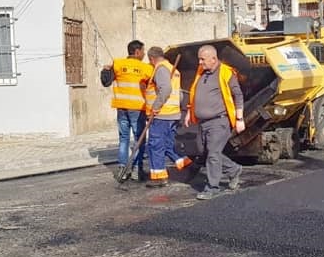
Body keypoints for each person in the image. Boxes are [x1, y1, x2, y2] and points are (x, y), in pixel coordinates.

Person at [185, 45, 245, 200]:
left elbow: (238, 95)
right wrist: (190, 112)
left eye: (202, 59)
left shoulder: (225, 73)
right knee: (208, 152)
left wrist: (239, 119)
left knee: (213, 154)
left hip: (219, 121)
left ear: (213, 58)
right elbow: (195, 93)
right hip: (203, 122)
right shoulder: (201, 72)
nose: (200, 62)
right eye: (199, 59)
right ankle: (234, 170)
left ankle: (212, 187)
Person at [102, 40, 152, 181]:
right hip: (137, 109)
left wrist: (106, 70)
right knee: (139, 140)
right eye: (143, 51)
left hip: (121, 108)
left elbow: (106, 81)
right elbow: (153, 85)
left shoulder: (117, 64)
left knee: (123, 139)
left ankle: (122, 170)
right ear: (137, 52)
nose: (144, 54)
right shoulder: (146, 68)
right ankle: (136, 170)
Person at [144, 46, 191, 187]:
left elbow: (166, 89)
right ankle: (182, 161)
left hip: (161, 115)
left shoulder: (161, 69)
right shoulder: (173, 70)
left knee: (155, 145)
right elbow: (180, 94)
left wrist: (156, 107)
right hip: (172, 114)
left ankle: (159, 177)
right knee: (167, 144)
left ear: (151, 58)